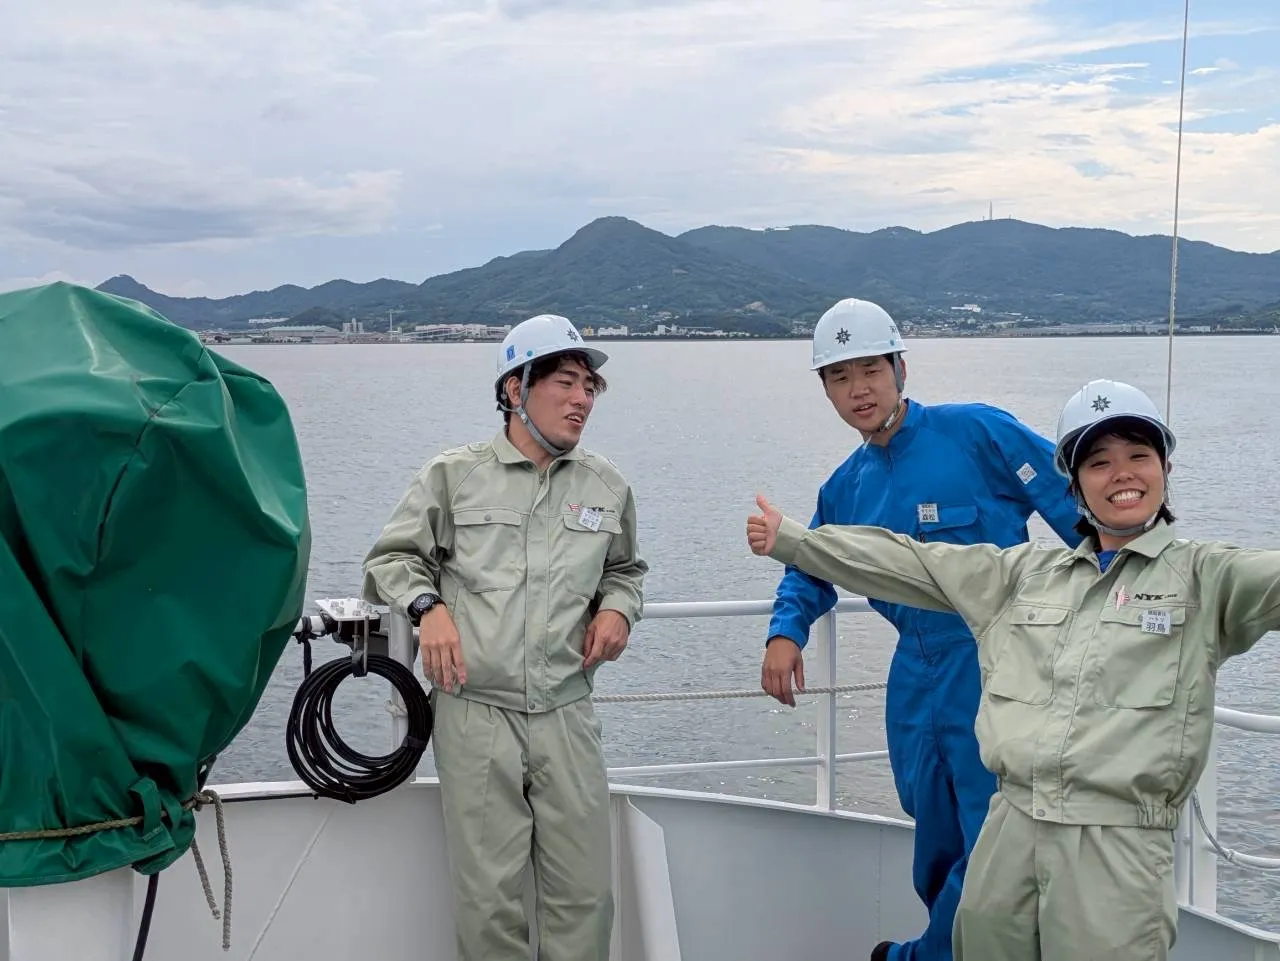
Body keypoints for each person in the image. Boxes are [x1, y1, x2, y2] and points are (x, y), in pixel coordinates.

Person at [748, 377, 1280, 959]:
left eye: (1138, 456)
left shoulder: (1207, 579)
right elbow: (912, 561)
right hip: (1011, 827)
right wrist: (796, 543)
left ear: (1166, 469)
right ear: (1073, 485)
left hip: (1112, 843)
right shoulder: (1025, 574)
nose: (1121, 473)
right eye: (1098, 462)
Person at [760, 298, 1083, 961]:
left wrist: (1109, 597)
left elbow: (1077, 503)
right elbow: (809, 564)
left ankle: (926, 956)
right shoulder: (845, 488)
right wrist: (785, 630)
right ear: (825, 389)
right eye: (840, 377)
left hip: (996, 659)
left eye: (871, 369)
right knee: (931, 828)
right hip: (914, 674)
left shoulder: (977, 432)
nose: (859, 390)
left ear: (901, 367)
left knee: (993, 827)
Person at [361, 313, 648, 961]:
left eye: (590, 388)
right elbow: (390, 560)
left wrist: (619, 611)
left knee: (585, 896)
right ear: (516, 389)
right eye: (567, 383)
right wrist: (427, 606)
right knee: (489, 902)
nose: (583, 399)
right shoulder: (454, 475)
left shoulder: (606, 485)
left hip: (567, 712)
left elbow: (626, 571)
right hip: (474, 714)